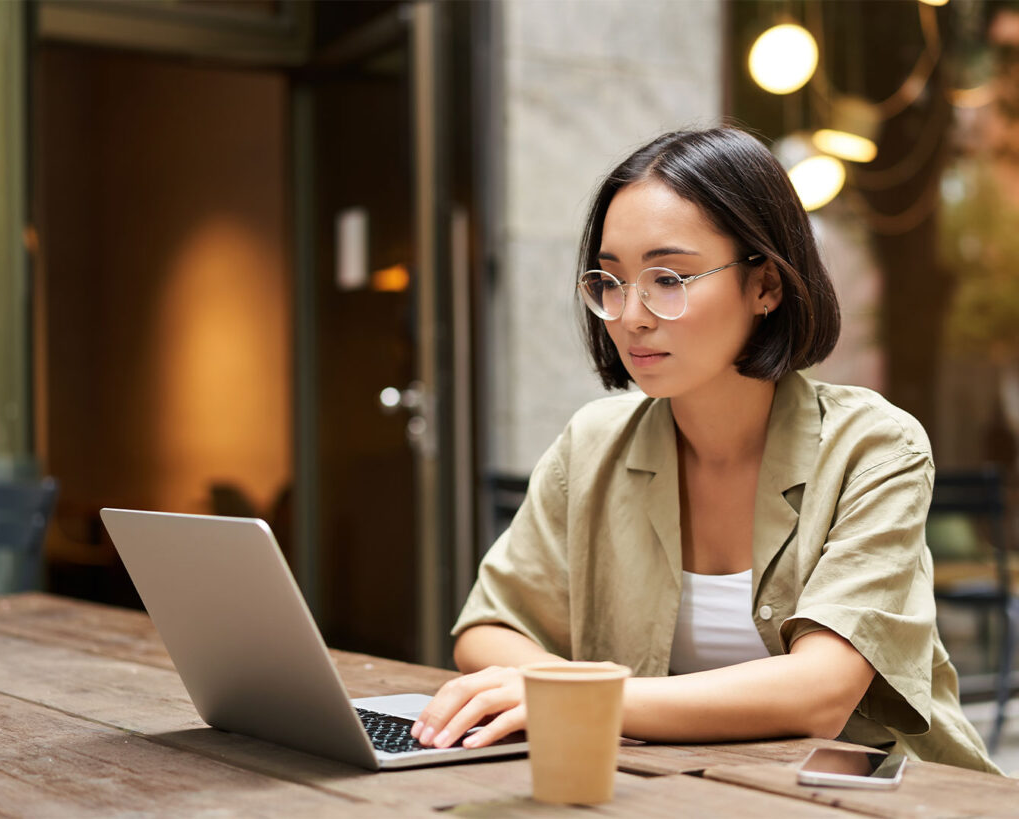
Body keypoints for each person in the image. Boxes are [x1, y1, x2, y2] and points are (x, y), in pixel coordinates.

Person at [410, 127, 999, 773]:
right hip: (671, 792)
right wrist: (568, 692)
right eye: (610, 279)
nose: (630, 313)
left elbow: (821, 691)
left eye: (669, 277)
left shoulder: (874, 446)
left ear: (766, 285)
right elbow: (489, 629)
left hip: (881, 797)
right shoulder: (593, 443)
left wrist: (579, 696)